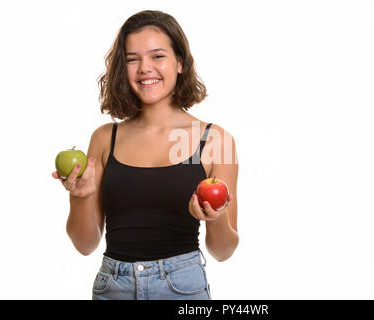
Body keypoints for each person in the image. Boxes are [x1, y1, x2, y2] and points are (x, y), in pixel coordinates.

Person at [51, 10, 239, 300]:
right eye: (132, 59)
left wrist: (215, 219)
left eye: (157, 56)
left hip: (182, 290)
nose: (144, 68)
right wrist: (79, 197)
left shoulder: (213, 140)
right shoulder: (105, 139)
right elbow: (85, 245)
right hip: (112, 288)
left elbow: (223, 251)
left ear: (179, 62)